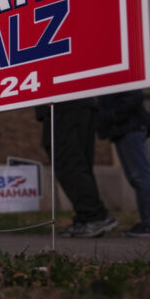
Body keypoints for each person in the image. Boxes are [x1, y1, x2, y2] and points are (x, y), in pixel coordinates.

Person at [35, 99, 118, 237]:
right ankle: (88, 216)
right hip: (76, 103)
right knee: (78, 162)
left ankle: (94, 216)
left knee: (68, 161)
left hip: (63, 104)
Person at [97, 90, 150, 238]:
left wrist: (112, 115)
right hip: (122, 131)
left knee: (140, 175)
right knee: (136, 178)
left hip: (130, 129)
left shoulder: (120, 76)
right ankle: (147, 220)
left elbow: (134, 96)